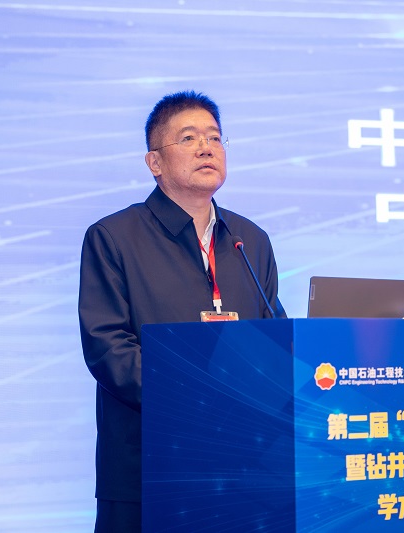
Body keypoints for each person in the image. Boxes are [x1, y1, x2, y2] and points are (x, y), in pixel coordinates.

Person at [78, 90, 285, 532]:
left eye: (215, 137)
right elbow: (108, 348)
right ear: (154, 162)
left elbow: (274, 339)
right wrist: (199, 399)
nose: (207, 147)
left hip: (243, 469)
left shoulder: (250, 240)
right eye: (189, 138)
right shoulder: (114, 237)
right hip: (148, 468)